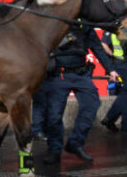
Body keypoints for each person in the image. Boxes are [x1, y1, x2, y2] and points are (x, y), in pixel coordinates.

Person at [42, 24, 121, 164]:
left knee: (92, 104)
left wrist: (110, 69)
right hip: (58, 74)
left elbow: (97, 48)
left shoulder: (84, 24)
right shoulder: (54, 20)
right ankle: (54, 150)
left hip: (81, 74)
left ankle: (75, 144)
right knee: (54, 115)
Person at [100, 28, 127, 132]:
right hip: (123, 64)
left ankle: (112, 119)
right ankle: (112, 119)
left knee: (125, 94)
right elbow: (103, 44)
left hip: (118, 63)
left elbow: (103, 44)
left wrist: (112, 55)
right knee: (125, 94)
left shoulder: (113, 27)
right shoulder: (120, 28)